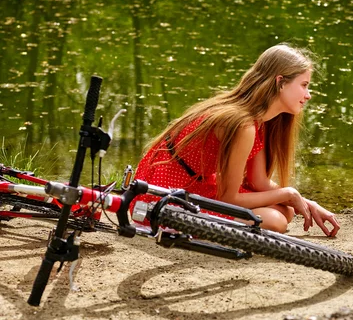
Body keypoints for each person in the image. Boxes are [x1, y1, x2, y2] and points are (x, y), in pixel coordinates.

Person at [133, 44, 340, 236]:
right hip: (165, 192)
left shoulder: (260, 119)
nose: (308, 95)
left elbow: (257, 181)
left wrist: (304, 202)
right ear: (280, 82)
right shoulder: (243, 124)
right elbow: (228, 198)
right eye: (304, 85)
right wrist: (287, 192)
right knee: (275, 220)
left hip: (196, 184)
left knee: (284, 211)